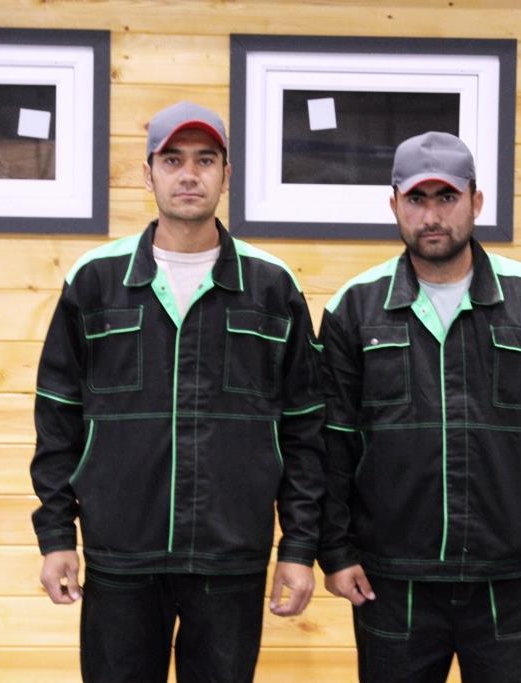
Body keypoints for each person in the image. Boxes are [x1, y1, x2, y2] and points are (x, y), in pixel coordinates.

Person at [30, 101, 326, 682]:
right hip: (121, 556)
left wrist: (298, 547)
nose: (189, 174)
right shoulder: (96, 280)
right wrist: (57, 535)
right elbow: (58, 420)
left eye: (205, 160)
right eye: (172, 160)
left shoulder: (271, 286)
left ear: (226, 175)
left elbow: (304, 429)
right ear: (148, 174)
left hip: (231, 557)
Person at [317, 131, 521, 682]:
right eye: (416, 199)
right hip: (392, 580)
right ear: (394, 205)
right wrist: (336, 549)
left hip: (512, 576)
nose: (431, 216)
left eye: (446, 197)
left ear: (476, 201)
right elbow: (332, 439)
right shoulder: (354, 307)